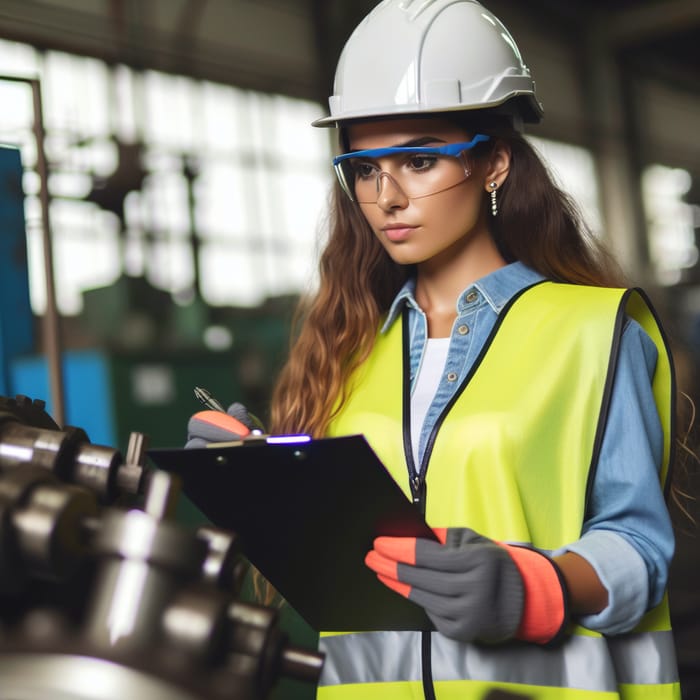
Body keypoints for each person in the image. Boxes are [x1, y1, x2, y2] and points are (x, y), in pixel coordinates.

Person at [187, 1, 680, 698]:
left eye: (419, 160)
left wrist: (534, 587)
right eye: (363, 168)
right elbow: (336, 558)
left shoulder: (594, 331)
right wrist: (257, 482)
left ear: (495, 161)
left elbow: (640, 546)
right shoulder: (350, 348)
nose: (386, 196)